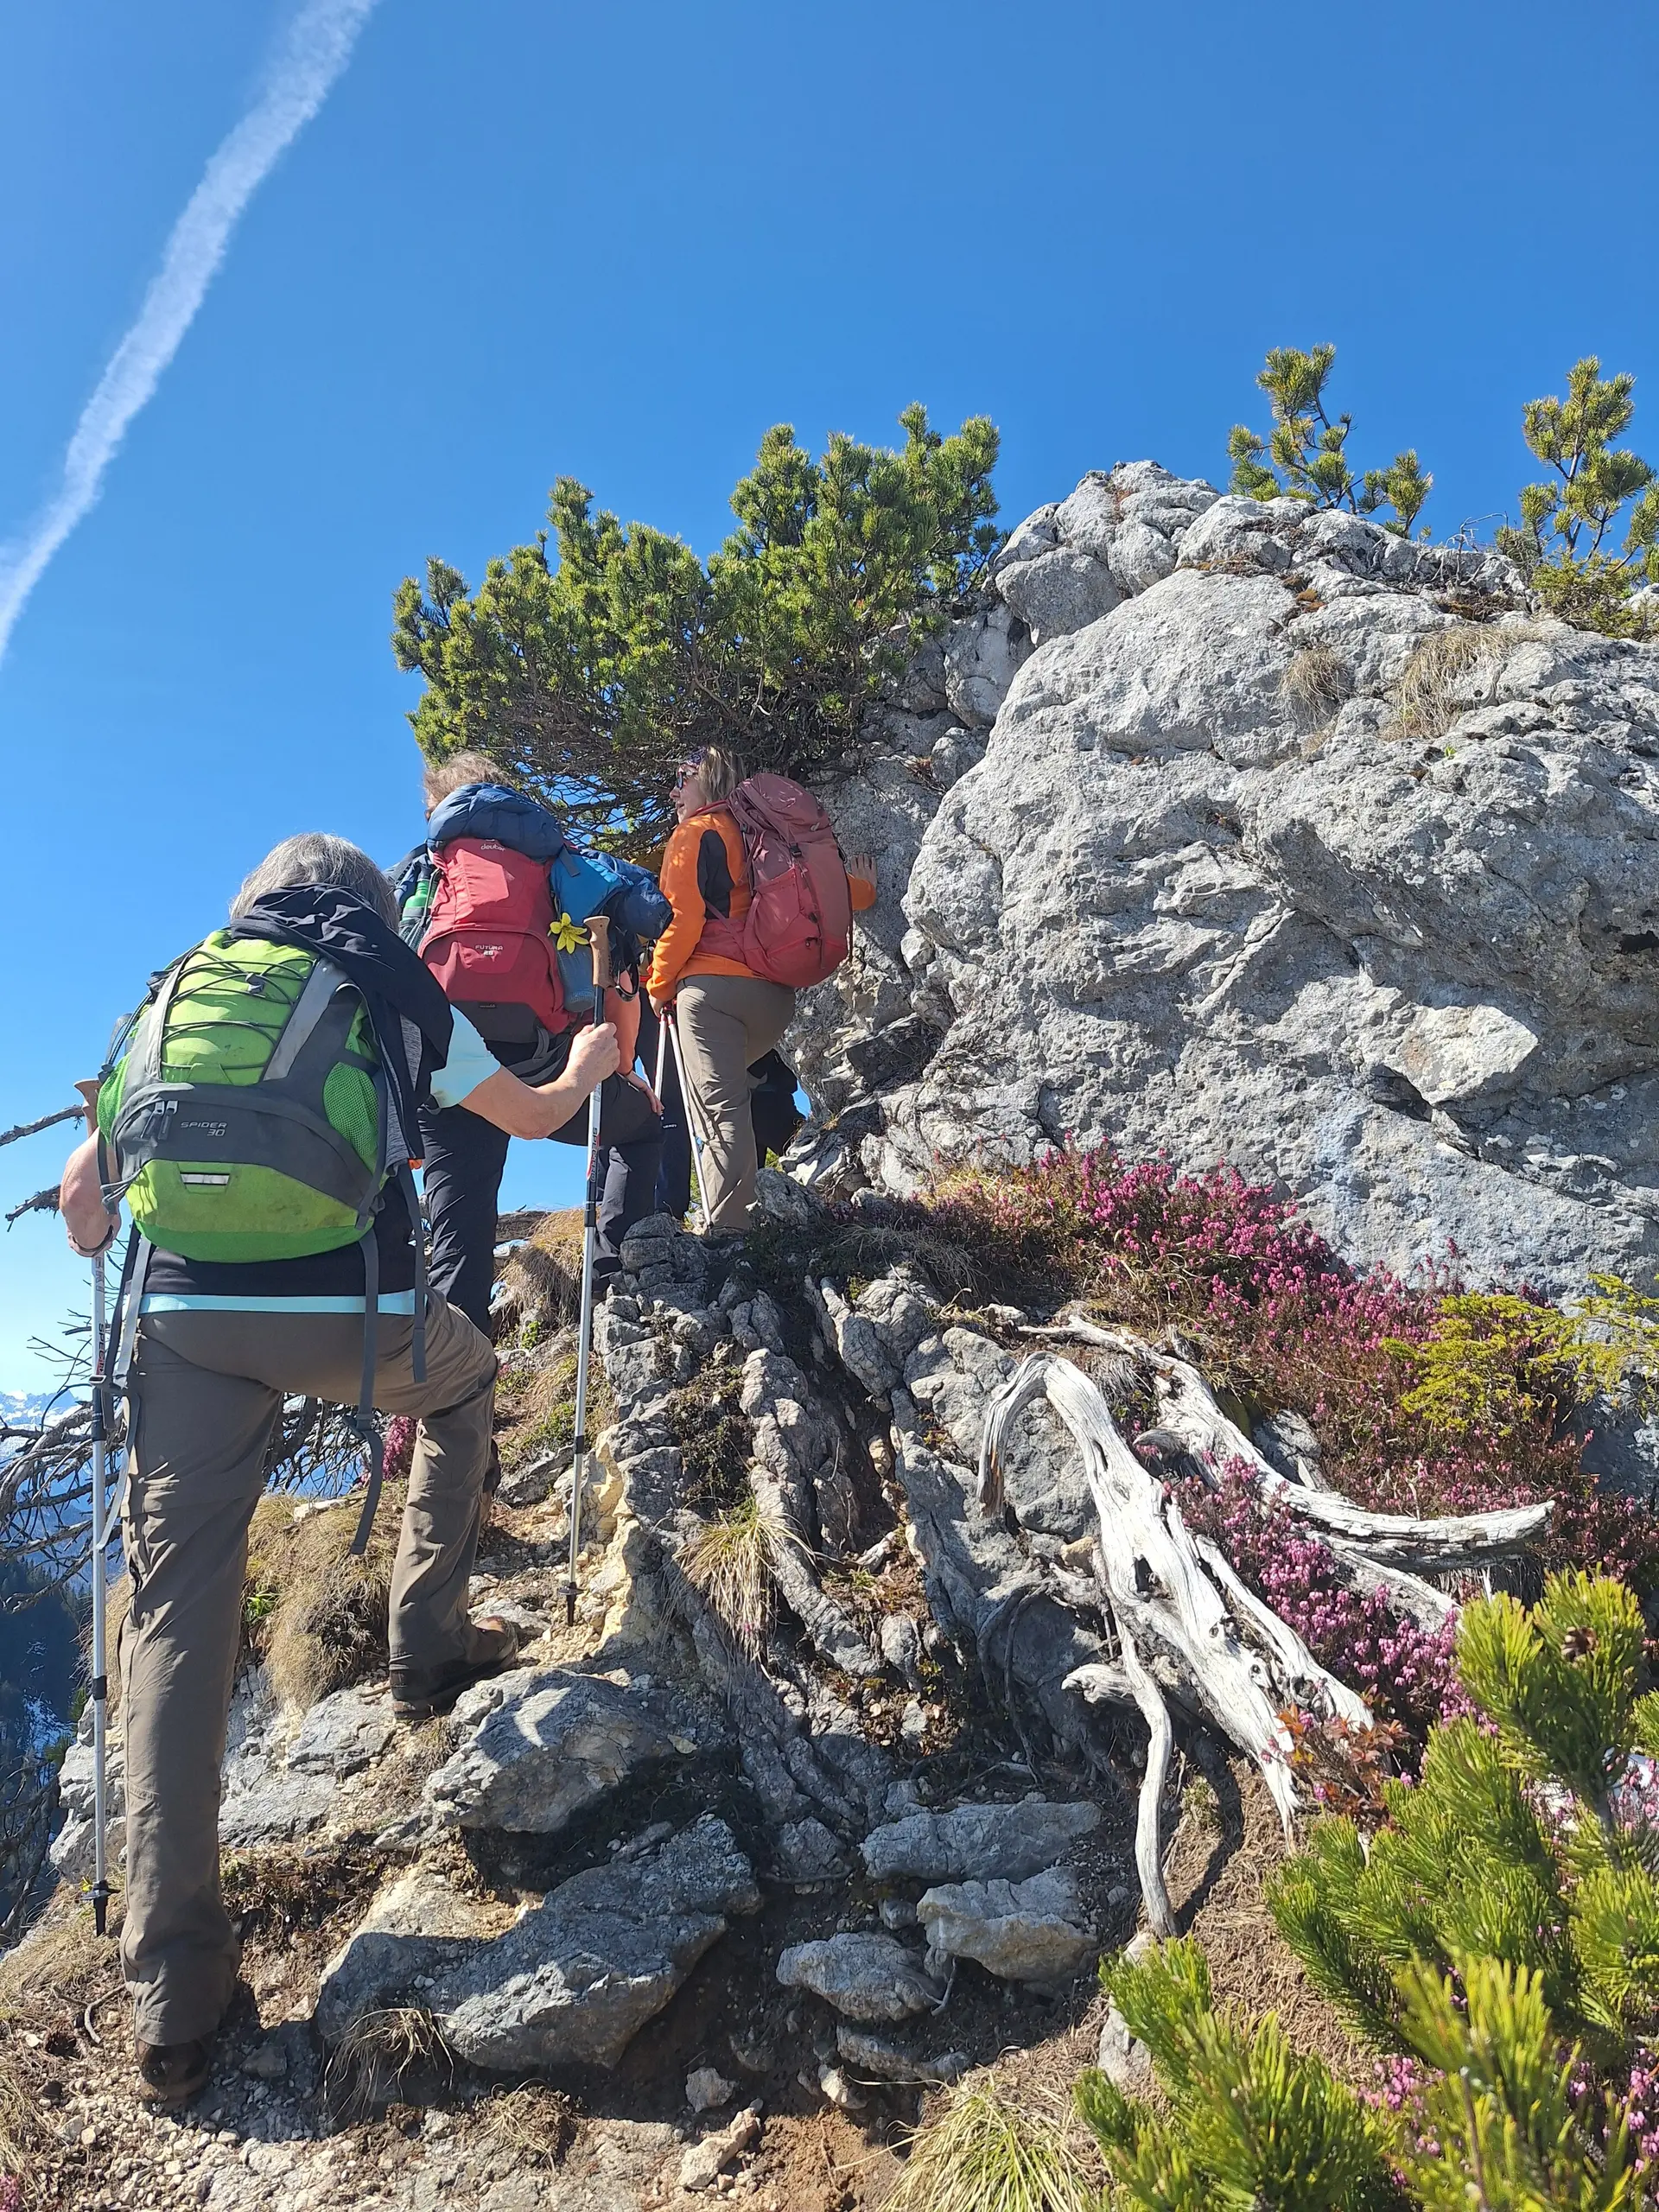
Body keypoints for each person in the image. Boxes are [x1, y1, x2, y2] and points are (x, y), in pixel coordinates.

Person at [58, 834, 618, 2109]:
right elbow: (529, 1117)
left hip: (182, 1333)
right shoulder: (379, 983)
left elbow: (88, 1210)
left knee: (176, 1624)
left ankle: (172, 2003)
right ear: (369, 911)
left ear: (248, 903)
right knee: (469, 1379)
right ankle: (427, 1640)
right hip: (349, 1314)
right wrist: (589, 1061)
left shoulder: (170, 994)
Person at [396, 753, 664, 1329]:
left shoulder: (423, 869)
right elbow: (618, 975)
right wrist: (619, 1071)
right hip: (548, 1061)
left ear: (435, 806)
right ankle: (610, 1277)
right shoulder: (561, 864)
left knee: (459, 1235)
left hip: (449, 1070)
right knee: (642, 1127)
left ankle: (452, 1397)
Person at [646, 746, 873, 1233]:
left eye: (681, 779)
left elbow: (683, 923)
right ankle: (748, 1206)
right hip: (774, 1001)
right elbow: (827, 888)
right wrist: (866, 890)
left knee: (719, 1110)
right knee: (732, 1093)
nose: (673, 791)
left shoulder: (693, 834)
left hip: (713, 994)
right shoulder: (764, 833)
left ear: (706, 779)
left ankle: (729, 1233)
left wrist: (657, 986)